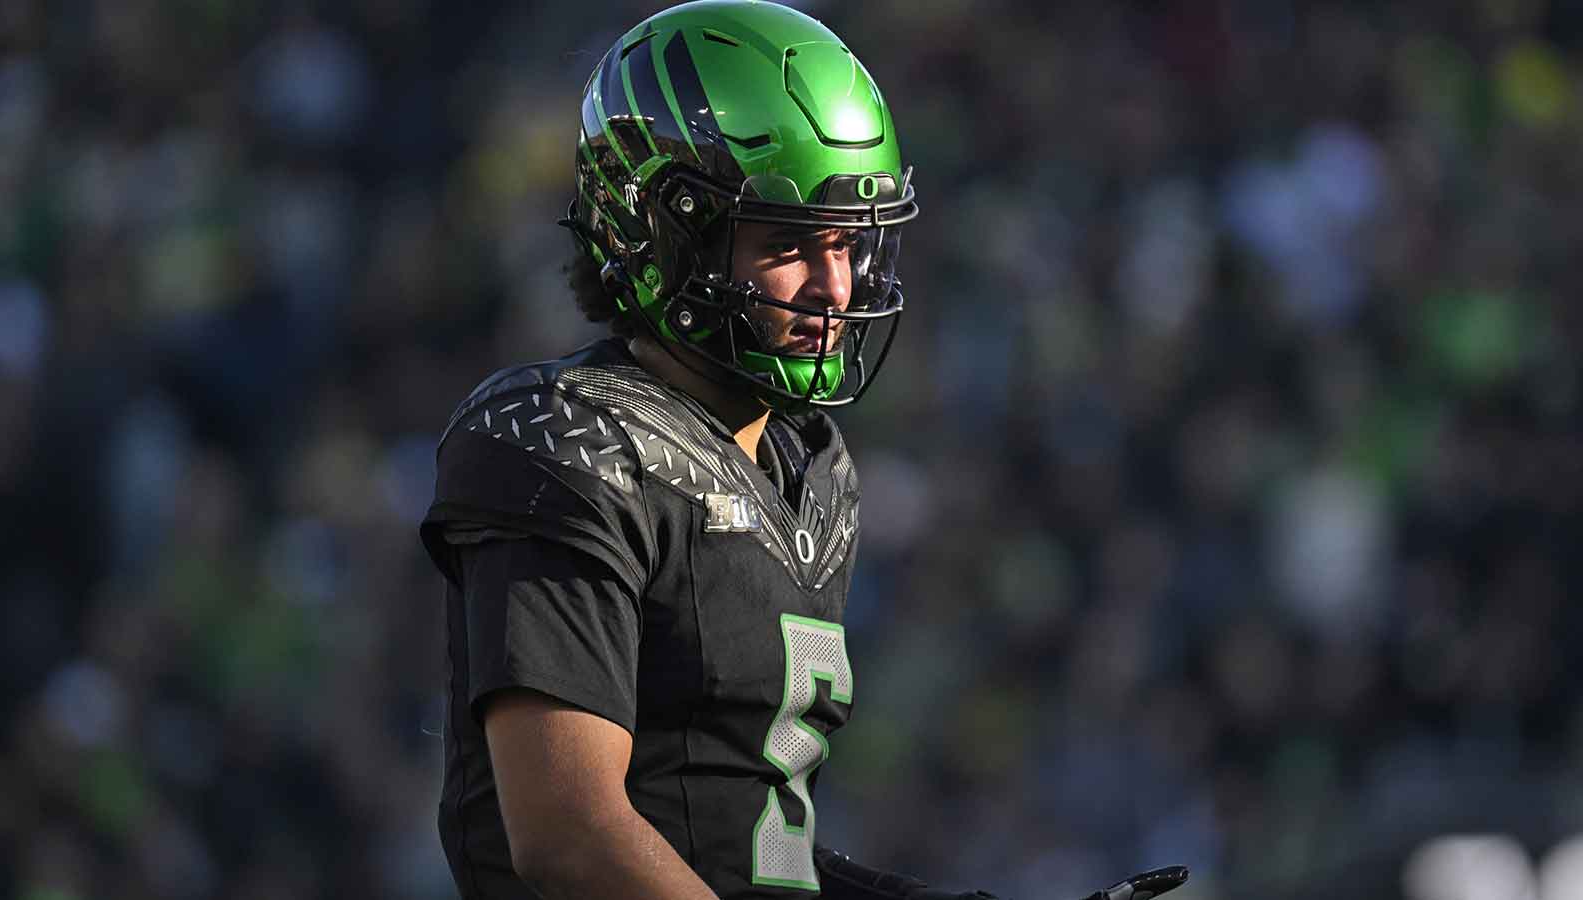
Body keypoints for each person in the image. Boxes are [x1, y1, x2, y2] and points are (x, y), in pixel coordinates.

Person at [420, 3, 1186, 898]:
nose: (835, 285)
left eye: (850, 243)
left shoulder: (811, 471)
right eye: (788, 241)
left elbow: (743, 842)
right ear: (664, 231)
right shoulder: (568, 441)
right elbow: (569, 831)